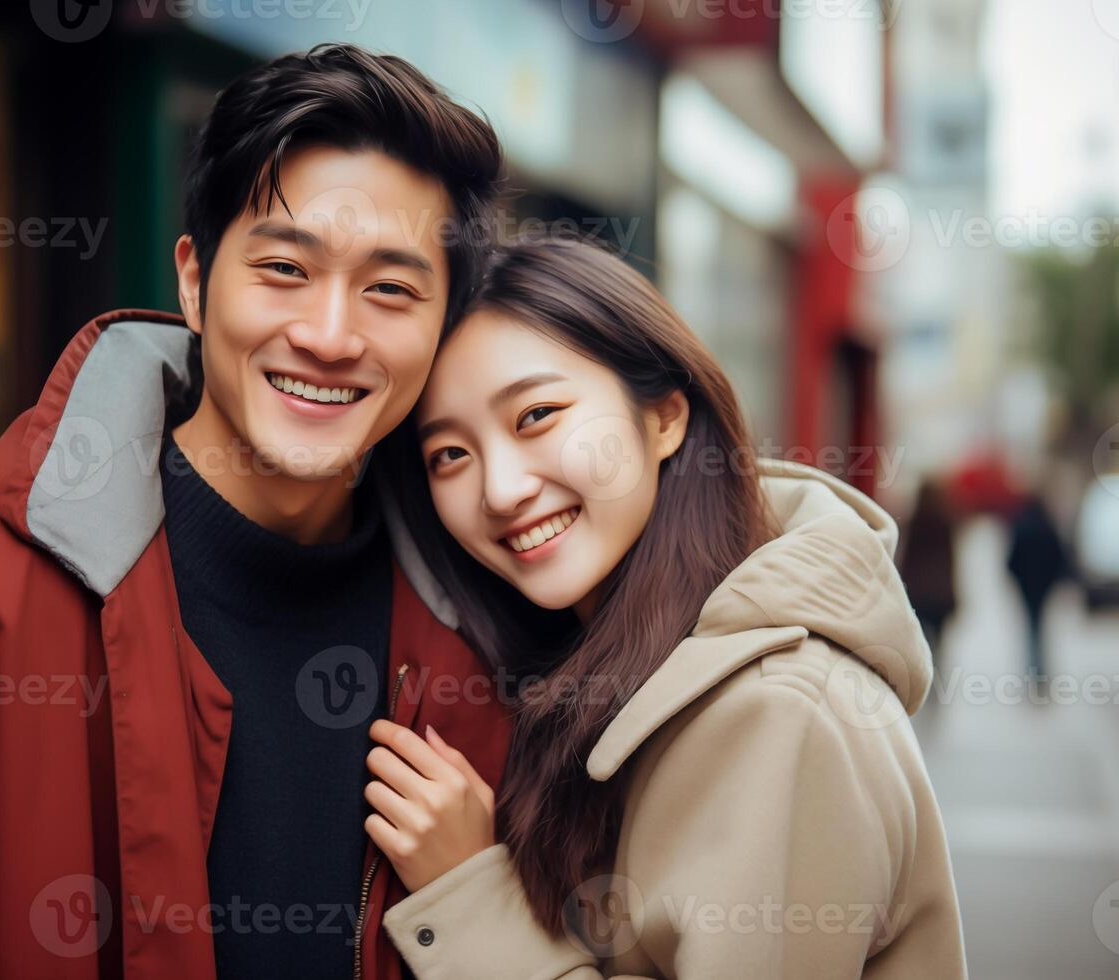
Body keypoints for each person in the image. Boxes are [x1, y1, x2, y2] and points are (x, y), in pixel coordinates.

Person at [0, 45, 510, 979]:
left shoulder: (490, 633)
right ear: (194, 282)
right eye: (285, 269)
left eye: (390, 290)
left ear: (444, 326)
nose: (330, 336)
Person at [362, 238, 968, 977]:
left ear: (665, 418)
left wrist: (471, 896)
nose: (500, 489)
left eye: (537, 415)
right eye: (449, 455)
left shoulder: (779, 712)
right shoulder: (600, 674)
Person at [1005, 492, 1070, 684]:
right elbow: (1059, 557)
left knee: (1031, 627)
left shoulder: (1021, 526)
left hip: (1027, 587)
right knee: (1039, 627)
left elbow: (1011, 561)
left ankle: (1034, 669)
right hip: (1043, 587)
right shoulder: (1047, 526)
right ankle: (1039, 670)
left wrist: (1018, 581)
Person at [898, 478, 958, 677]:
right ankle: (936, 675)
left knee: (921, 638)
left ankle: (926, 674)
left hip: (919, 591)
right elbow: (950, 561)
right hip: (940, 593)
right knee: (939, 641)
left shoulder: (915, 521)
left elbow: (907, 559)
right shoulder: (946, 521)